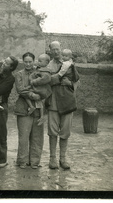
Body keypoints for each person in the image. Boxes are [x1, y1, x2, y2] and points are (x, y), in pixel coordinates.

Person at [46, 41, 80, 170]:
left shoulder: (70, 64)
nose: (56, 51)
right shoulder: (48, 65)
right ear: (50, 51)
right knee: (53, 132)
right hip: (53, 102)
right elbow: (48, 81)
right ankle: (52, 158)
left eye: (57, 49)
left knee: (65, 132)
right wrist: (59, 79)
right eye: (53, 49)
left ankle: (63, 158)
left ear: (61, 49)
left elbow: (76, 82)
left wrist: (69, 84)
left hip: (67, 102)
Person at [14, 52, 45, 169]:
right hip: (23, 108)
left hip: (38, 109)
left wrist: (39, 95)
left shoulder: (39, 73)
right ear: (23, 62)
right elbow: (20, 90)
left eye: (30, 61)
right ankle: (22, 161)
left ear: (34, 61)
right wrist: (33, 95)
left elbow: (44, 88)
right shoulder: (19, 74)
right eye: (25, 62)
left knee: (37, 137)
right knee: (23, 136)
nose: (28, 64)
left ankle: (35, 161)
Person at [26, 53, 52, 126]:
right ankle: (37, 112)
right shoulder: (39, 69)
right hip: (38, 88)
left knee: (28, 93)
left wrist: (33, 81)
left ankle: (41, 115)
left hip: (41, 89)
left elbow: (44, 79)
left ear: (46, 63)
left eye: (40, 61)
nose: (38, 62)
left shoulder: (46, 72)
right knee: (38, 101)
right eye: (38, 60)